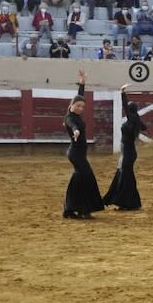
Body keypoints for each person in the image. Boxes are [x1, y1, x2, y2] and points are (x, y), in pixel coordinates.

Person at [62, 70, 106, 220]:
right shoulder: (70, 118)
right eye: (78, 106)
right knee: (87, 178)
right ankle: (82, 209)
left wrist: (82, 83)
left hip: (79, 154)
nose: (81, 108)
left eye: (82, 106)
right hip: (76, 154)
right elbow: (72, 124)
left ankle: (72, 209)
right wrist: (75, 131)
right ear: (72, 105)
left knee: (79, 179)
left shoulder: (75, 114)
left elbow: (79, 96)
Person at [102, 85, 146, 211]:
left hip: (127, 152)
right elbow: (144, 128)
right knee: (127, 176)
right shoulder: (136, 119)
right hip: (129, 152)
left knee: (125, 177)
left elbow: (125, 106)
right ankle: (130, 202)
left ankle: (126, 202)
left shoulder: (132, 118)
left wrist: (122, 93)